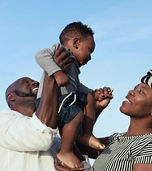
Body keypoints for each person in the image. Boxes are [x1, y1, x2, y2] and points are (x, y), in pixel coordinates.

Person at [56, 69, 152, 171]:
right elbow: (79, 144)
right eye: (135, 88)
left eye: (141, 92)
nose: (131, 92)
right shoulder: (118, 139)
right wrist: (96, 109)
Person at [35, 21, 106, 169]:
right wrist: (57, 72)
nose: (90, 57)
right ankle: (65, 151)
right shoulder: (60, 50)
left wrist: (93, 93)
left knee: (89, 99)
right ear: (76, 43)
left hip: (67, 99)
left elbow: (76, 86)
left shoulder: (73, 66)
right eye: (90, 50)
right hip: (53, 100)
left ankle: (86, 134)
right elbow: (40, 55)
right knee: (76, 115)